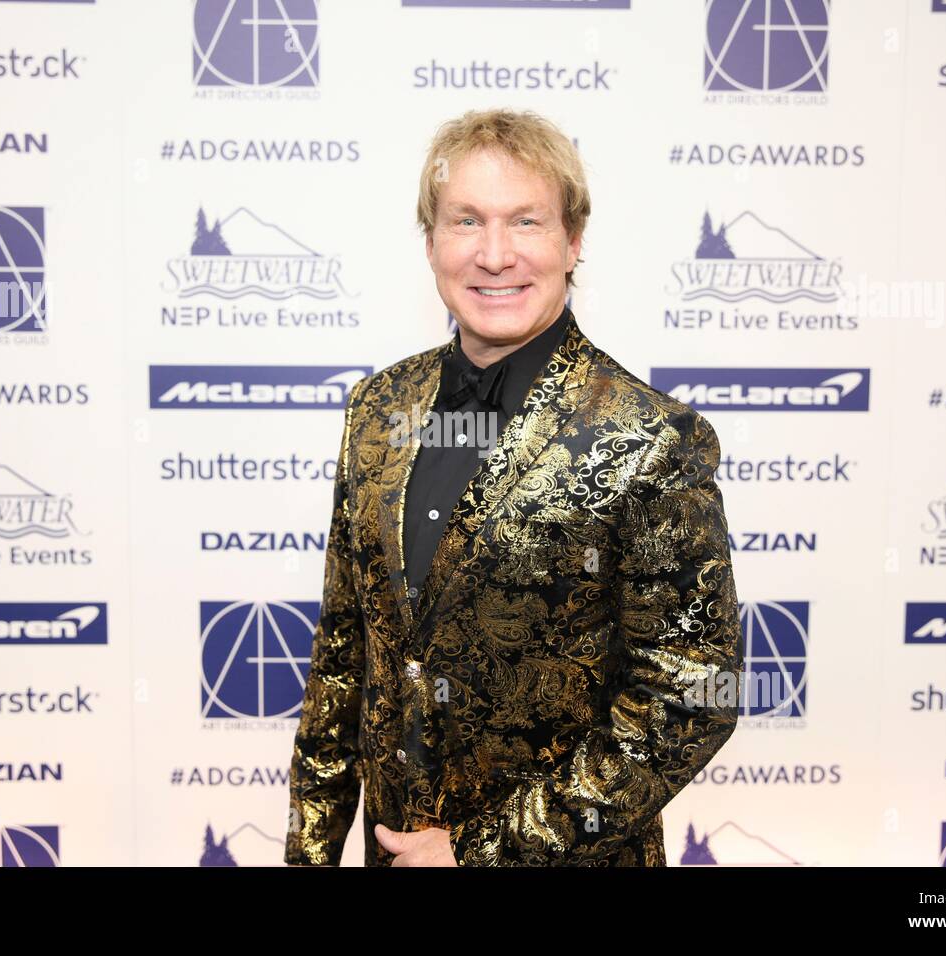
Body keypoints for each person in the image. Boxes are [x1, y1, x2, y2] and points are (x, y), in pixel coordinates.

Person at [284, 108, 741, 867]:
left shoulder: (650, 439)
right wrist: (310, 852)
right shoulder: (377, 412)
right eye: (466, 221)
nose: (495, 256)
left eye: (526, 222)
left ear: (573, 242)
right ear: (430, 240)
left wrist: (473, 852)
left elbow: (690, 698)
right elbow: (341, 657)